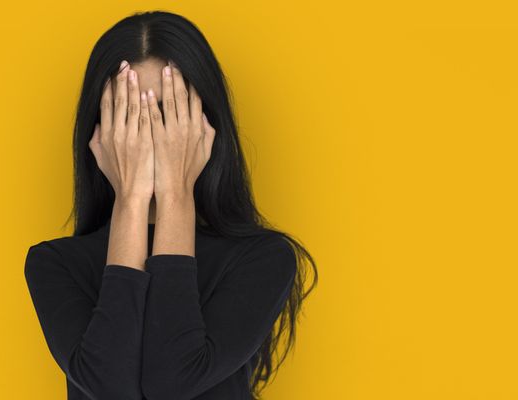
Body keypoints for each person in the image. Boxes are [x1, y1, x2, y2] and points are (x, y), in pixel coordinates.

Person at [24, 10, 317, 400]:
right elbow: (108, 388)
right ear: (100, 133)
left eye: (169, 114)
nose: (149, 136)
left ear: (205, 127)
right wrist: (130, 200)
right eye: (129, 115)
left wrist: (176, 193)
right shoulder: (55, 264)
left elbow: (173, 382)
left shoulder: (262, 259)